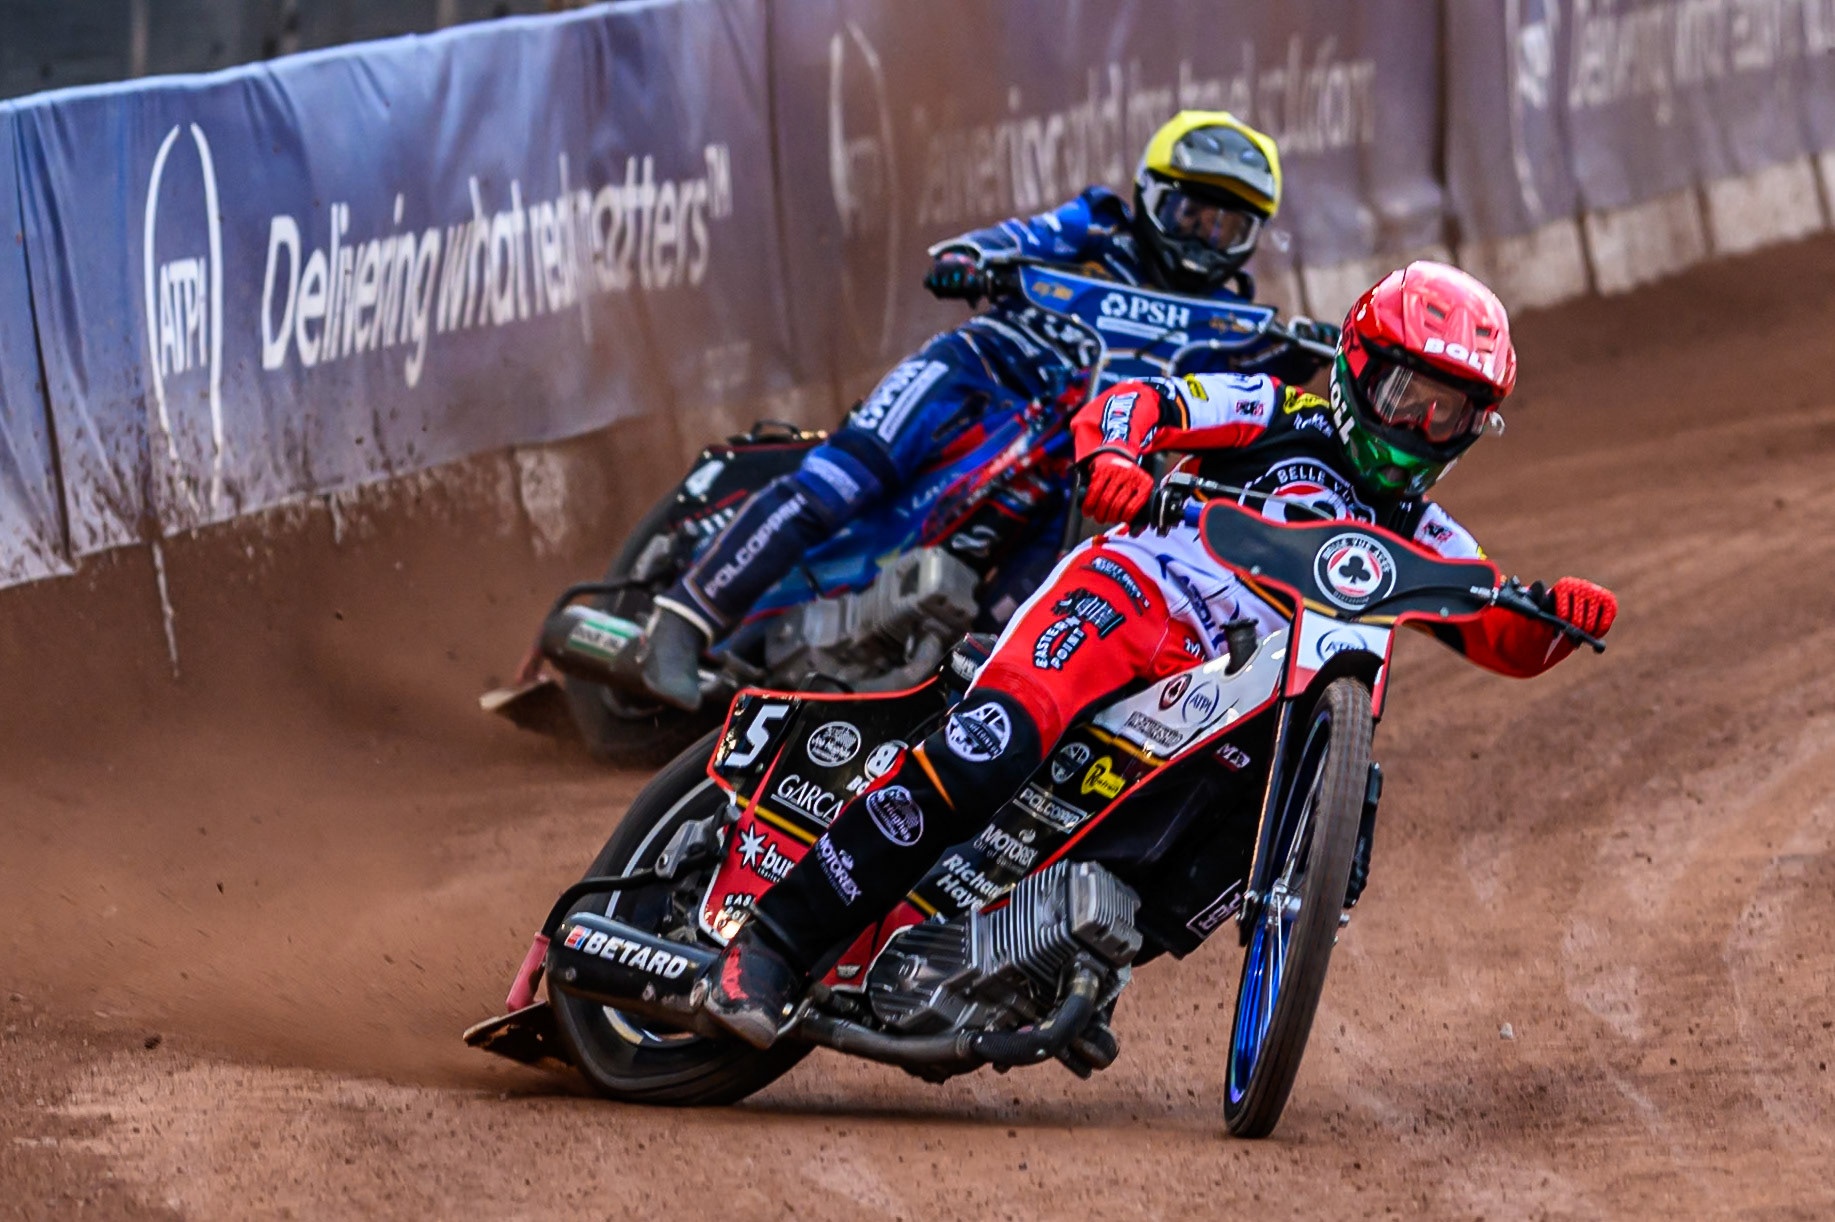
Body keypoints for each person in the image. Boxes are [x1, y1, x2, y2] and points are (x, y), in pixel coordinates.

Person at [703, 261, 1620, 1048]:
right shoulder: (1271, 408)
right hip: (1134, 601)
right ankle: (772, 945)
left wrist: (1556, 620)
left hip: (1245, 692)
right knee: (993, 742)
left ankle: (1061, 956)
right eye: (1403, 396)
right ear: (1353, 368)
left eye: (1445, 411)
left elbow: (1499, 627)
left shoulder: (1428, 535)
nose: (1417, 425)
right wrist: (1117, 457)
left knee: (1252, 822)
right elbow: (1139, 403)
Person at [622, 111, 1337, 712]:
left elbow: (1258, 408)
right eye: (1191, 213)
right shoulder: (1097, 227)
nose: (1203, 238)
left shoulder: (1240, 325)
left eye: (1226, 227)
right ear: (1150, 196)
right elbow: (1016, 240)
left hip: (1070, 461)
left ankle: (947, 702)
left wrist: (1326, 357)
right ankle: (683, 619)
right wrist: (976, 256)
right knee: (843, 477)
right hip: (983, 374)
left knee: (1065, 583)